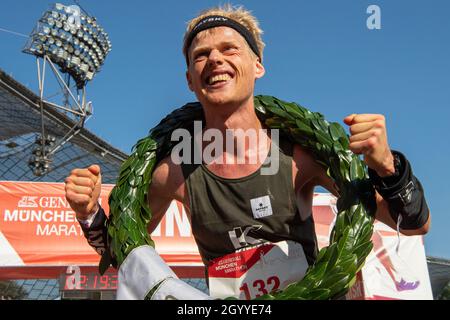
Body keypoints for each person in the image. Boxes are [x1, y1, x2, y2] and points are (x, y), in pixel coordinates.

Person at [65, 5, 430, 299]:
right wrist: (89, 213)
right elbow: (121, 254)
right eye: (201, 55)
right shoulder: (174, 171)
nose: (215, 60)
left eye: (229, 49)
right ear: (191, 80)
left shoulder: (299, 157)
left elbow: (414, 224)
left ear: (257, 66)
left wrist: (388, 167)